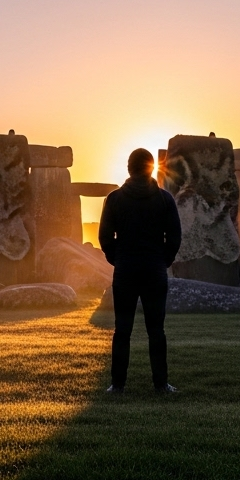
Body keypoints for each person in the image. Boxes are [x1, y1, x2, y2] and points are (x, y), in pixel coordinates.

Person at [98, 148, 183, 395]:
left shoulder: (114, 199)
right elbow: (175, 236)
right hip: (154, 269)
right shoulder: (165, 199)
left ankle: (118, 385)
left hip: (125, 269)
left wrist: (118, 258)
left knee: (122, 329)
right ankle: (160, 384)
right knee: (156, 329)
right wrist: (163, 260)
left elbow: (105, 236)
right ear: (151, 168)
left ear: (129, 168)